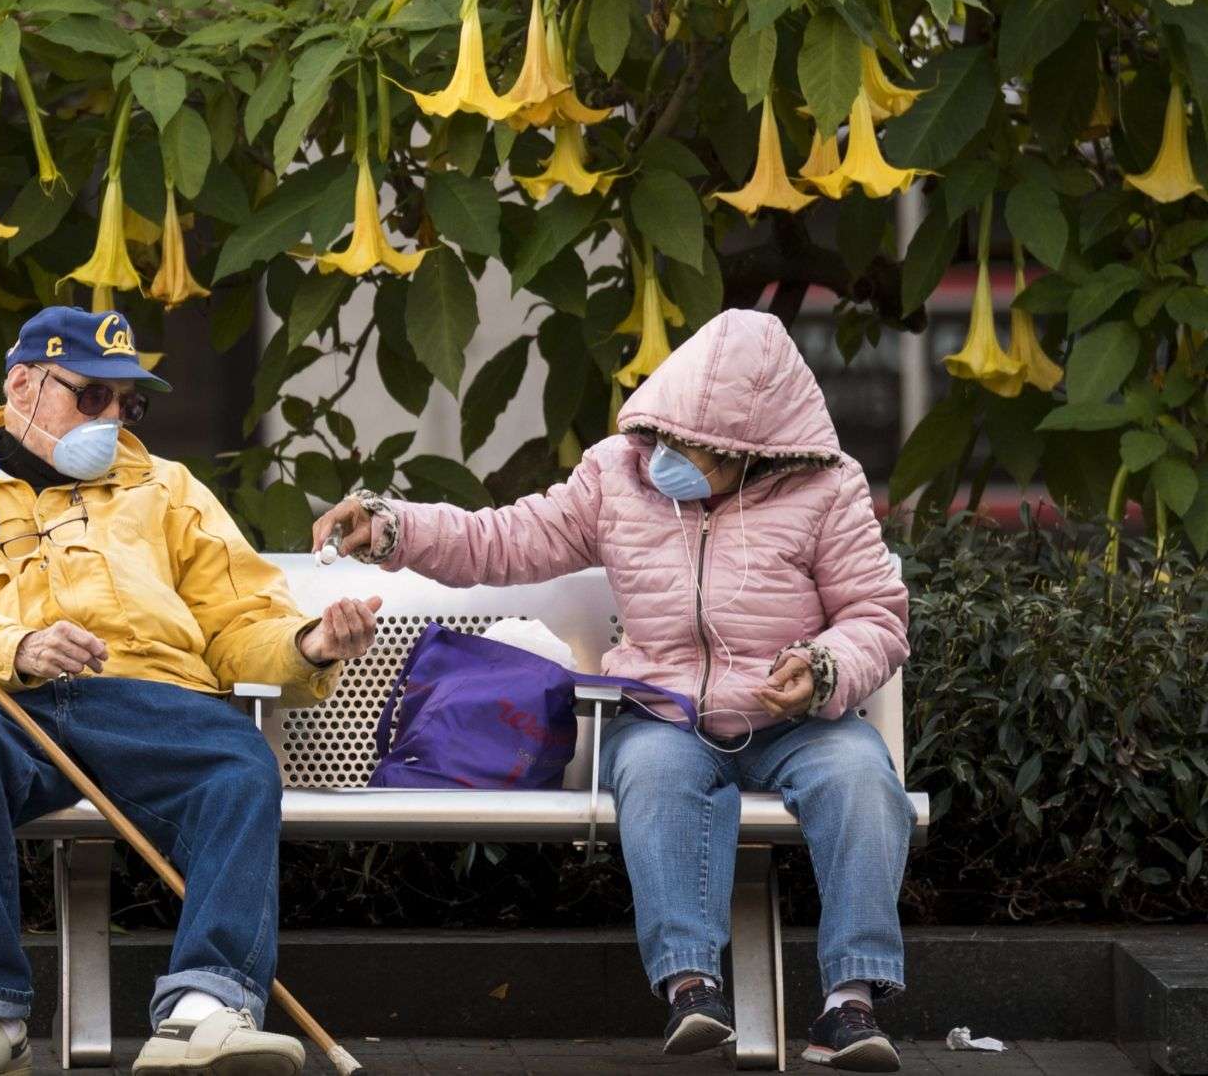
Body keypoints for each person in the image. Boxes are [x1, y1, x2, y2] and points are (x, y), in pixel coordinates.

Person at [311, 308, 914, 1074]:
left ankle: (849, 1005)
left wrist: (823, 668)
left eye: (695, 447)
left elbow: (876, 615)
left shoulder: (827, 489)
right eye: (666, 433)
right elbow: (508, 538)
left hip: (801, 721)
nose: (669, 455)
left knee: (863, 778)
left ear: (754, 451)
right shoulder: (617, 473)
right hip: (664, 715)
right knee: (654, 775)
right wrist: (395, 527)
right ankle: (692, 989)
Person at [0, 305, 382, 1076]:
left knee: (239, 764)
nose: (112, 419)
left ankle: (204, 1014)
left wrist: (306, 643)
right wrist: (17, 645)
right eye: (93, 396)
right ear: (22, 384)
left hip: (155, 703)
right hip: (16, 704)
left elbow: (239, 615)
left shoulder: (168, 489)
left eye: (129, 404)